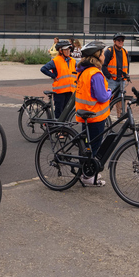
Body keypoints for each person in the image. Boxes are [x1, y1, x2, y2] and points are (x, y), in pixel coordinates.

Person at [75, 41, 112, 186]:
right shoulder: (95, 73)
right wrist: (109, 92)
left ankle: (86, 171)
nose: (104, 55)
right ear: (96, 56)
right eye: (102, 53)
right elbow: (102, 96)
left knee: (87, 146)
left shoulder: (84, 71)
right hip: (95, 116)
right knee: (94, 146)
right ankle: (88, 176)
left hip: (86, 114)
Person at [40, 39, 77, 118]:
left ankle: (62, 128)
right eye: (66, 49)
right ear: (60, 51)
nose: (68, 51)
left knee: (66, 111)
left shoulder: (73, 61)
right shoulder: (56, 61)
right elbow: (43, 69)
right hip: (59, 91)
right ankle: (53, 127)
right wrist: (53, 76)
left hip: (70, 90)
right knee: (58, 111)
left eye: (69, 49)